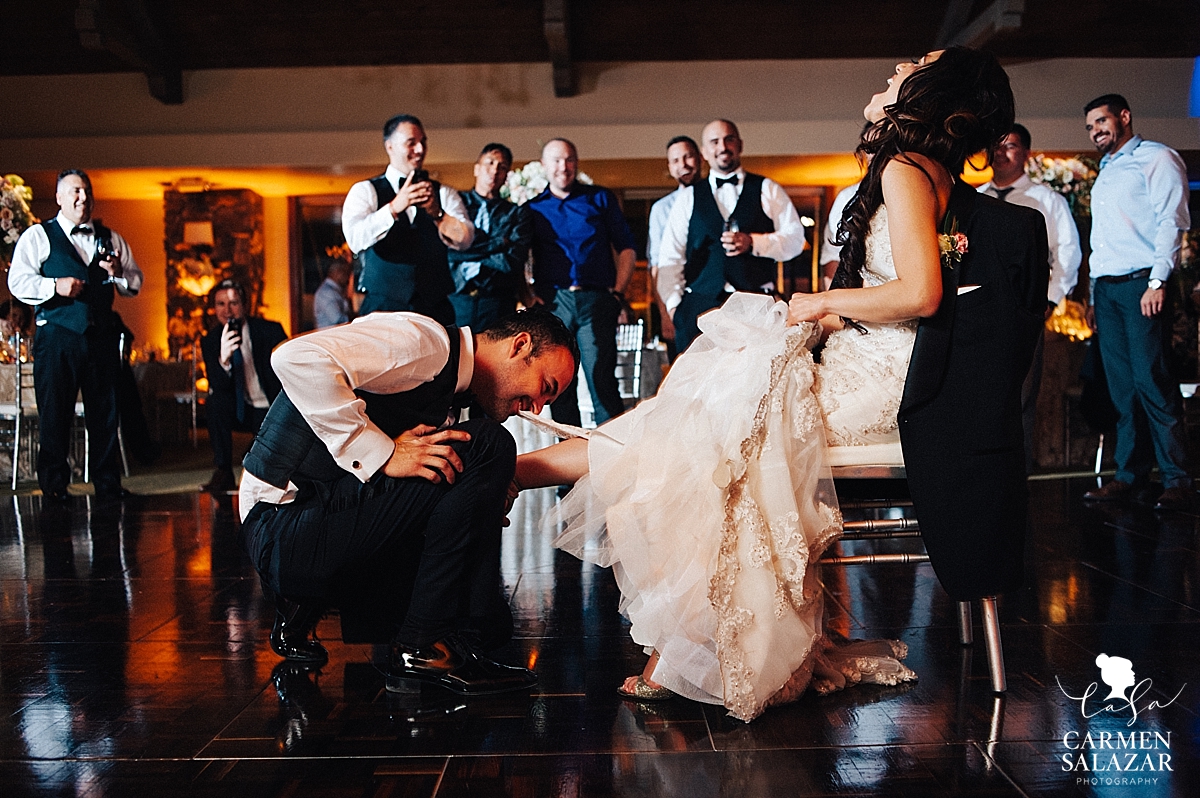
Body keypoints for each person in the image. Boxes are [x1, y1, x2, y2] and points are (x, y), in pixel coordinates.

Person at [514, 47, 1044, 721]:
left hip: (881, 383)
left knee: (712, 431)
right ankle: (522, 475)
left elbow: (921, 293)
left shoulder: (909, 168)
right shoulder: (922, 169)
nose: (893, 71)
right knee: (702, 413)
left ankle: (519, 478)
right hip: (880, 366)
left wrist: (824, 304)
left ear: (931, 93)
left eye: (911, 67)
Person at [238, 309, 578, 696]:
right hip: (280, 527)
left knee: (487, 630)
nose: (537, 407)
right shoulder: (425, 342)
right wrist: (382, 453)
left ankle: (304, 606)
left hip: (312, 521)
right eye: (545, 387)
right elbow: (295, 358)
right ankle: (423, 646)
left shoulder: (455, 386)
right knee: (488, 444)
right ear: (520, 346)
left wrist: (482, 490)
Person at [1080, 94, 1192, 510]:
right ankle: (1129, 475)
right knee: (1122, 388)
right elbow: (1103, 239)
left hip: (1143, 284)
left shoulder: (1157, 158)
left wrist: (1158, 280)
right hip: (1107, 290)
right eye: (1091, 127)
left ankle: (1178, 479)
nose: (1096, 132)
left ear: (1124, 116)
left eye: (1102, 122)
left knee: (1152, 380)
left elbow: (1172, 222)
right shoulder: (1107, 169)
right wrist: (1093, 293)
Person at [7, 169, 144, 502]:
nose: (82, 198)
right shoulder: (38, 236)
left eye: (86, 192)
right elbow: (18, 282)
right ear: (59, 197)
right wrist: (54, 286)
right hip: (57, 338)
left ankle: (108, 483)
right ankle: (54, 487)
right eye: (75, 192)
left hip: (100, 338)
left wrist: (119, 274)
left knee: (104, 413)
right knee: (55, 413)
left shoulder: (110, 238)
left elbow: (135, 283)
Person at [977, 123, 1082, 472]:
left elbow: (1067, 254)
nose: (1001, 152)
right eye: (996, 145)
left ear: (1026, 153)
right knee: (978, 392)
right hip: (977, 310)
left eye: (1010, 145)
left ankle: (1015, 475)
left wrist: (1048, 301)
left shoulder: (1046, 201)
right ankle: (981, 470)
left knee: (1021, 394)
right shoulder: (976, 198)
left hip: (1026, 309)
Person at [656, 119, 807, 353]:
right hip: (700, 307)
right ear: (704, 152)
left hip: (757, 306)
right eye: (714, 142)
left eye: (729, 139)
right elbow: (670, 258)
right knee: (698, 385)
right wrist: (676, 307)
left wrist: (755, 242)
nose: (722, 147)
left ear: (740, 144)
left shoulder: (767, 188)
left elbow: (796, 239)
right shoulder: (688, 198)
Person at [528, 138, 637, 427]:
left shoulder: (600, 198)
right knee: (557, 384)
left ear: (576, 162)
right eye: (556, 160)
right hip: (553, 302)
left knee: (602, 379)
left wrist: (618, 294)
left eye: (569, 159)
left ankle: (611, 459)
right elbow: (518, 256)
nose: (563, 167)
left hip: (596, 300)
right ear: (544, 166)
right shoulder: (532, 209)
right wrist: (526, 294)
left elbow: (627, 248)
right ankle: (567, 462)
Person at [342, 114, 474, 324]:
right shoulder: (365, 191)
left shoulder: (444, 193)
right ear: (390, 146)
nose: (420, 150)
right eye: (411, 143)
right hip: (382, 309)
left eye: (423, 142)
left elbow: (466, 239)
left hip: (435, 308)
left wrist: (437, 214)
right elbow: (355, 240)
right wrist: (394, 208)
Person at [200, 280, 287, 493]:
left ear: (245, 305)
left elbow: (289, 371)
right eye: (221, 304)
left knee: (263, 465)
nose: (227, 310)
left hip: (269, 408)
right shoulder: (211, 340)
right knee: (214, 403)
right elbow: (217, 387)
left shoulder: (270, 331)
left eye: (233, 303)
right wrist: (224, 360)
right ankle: (223, 470)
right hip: (241, 409)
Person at [447, 143, 534, 331]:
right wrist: (498, 243)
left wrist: (467, 249)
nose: (494, 171)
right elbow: (449, 252)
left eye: (502, 167)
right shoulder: (455, 204)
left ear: (506, 176)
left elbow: (512, 261)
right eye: (490, 163)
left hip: (498, 301)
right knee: (454, 357)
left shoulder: (516, 214)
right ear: (476, 169)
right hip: (455, 297)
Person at [647, 135, 702, 359]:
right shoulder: (661, 209)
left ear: (699, 158)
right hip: (680, 303)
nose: (683, 165)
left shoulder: (718, 198)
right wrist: (665, 313)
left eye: (688, 157)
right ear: (670, 167)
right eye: (676, 160)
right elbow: (657, 265)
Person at [313, 260, 353, 329]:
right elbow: (337, 319)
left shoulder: (336, 291)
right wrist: (357, 318)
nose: (348, 277)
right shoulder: (326, 292)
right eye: (346, 273)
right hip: (328, 336)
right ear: (337, 272)